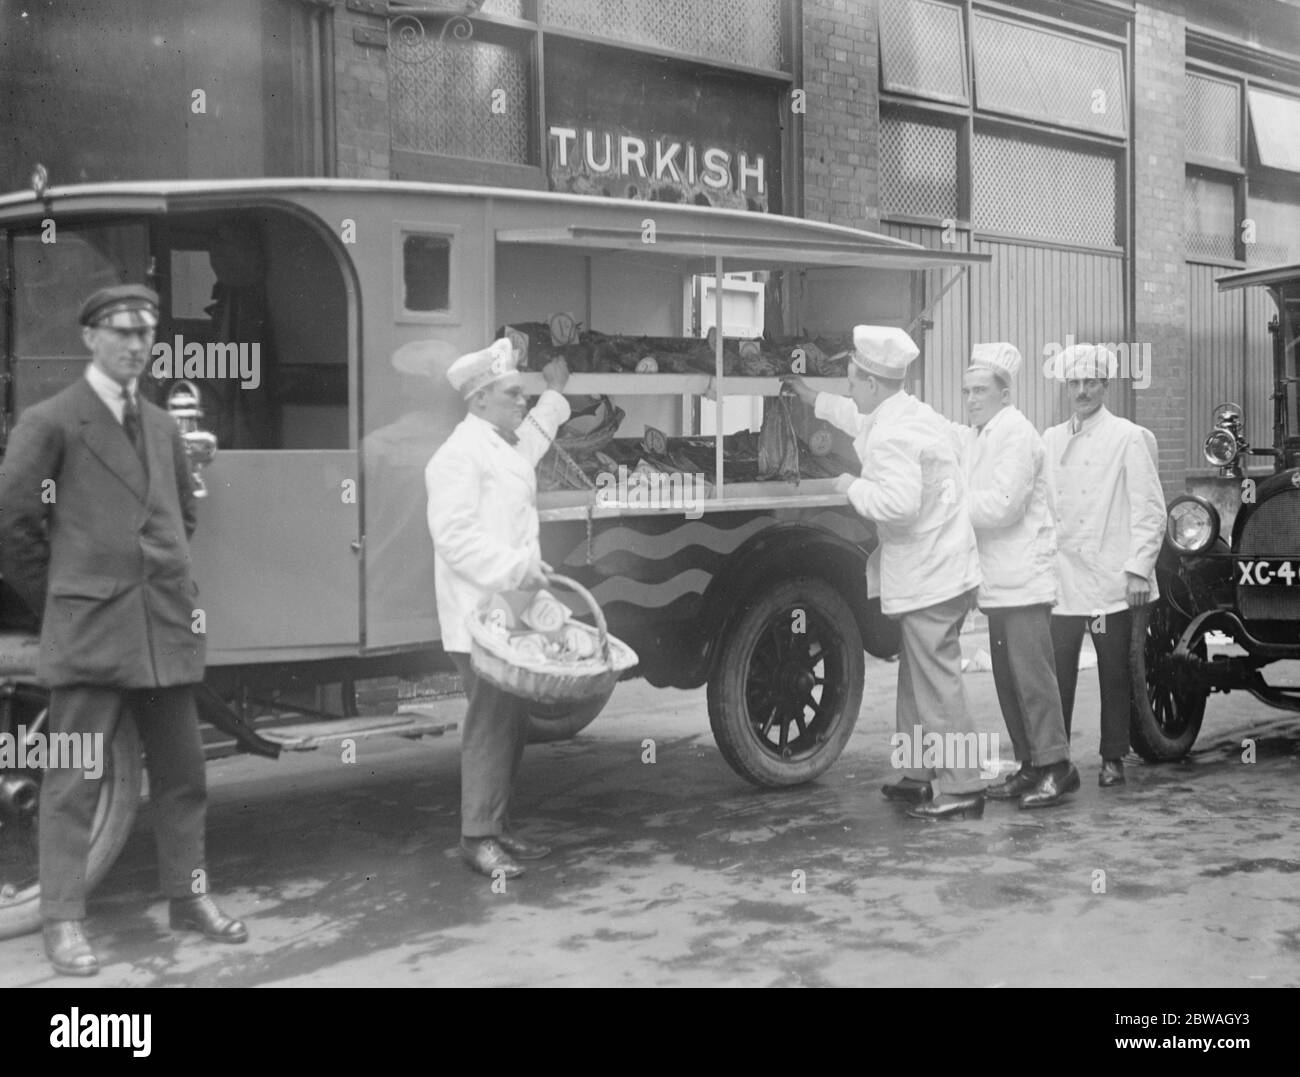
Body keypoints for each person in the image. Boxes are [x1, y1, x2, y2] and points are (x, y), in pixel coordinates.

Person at [0, 284, 247, 977]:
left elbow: (181, 517)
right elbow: (14, 525)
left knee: (183, 774)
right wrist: (67, 594)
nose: (136, 344)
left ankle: (189, 898)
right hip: (92, 633)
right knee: (73, 778)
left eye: (145, 333)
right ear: (90, 339)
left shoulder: (164, 426)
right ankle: (64, 921)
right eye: (120, 332)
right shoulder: (50, 422)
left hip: (163, 629)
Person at [787, 326, 985, 821]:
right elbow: (857, 417)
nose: (849, 387)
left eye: (852, 380)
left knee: (937, 684)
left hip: (930, 575)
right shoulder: (908, 412)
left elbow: (897, 504)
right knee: (916, 680)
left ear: (873, 383)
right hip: (944, 568)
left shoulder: (895, 432)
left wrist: (851, 485)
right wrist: (813, 398)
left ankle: (963, 788)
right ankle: (919, 776)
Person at [425, 339, 570, 877]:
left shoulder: (499, 446)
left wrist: (556, 395)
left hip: (509, 611)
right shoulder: (457, 457)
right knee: (489, 721)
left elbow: (530, 442)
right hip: (479, 615)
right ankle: (476, 837)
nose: (522, 401)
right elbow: (454, 538)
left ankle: (499, 826)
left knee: (510, 719)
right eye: (514, 393)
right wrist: (517, 570)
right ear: (481, 398)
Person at [1041, 343, 1166, 787]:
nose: (1082, 391)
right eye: (1074, 383)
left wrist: (1138, 568)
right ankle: (1055, 759)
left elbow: (1150, 510)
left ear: (1105, 386)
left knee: (1114, 670)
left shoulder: (1128, 437)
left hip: (1111, 576)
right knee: (1057, 670)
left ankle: (1113, 756)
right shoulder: (1050, 439)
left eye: (1090, 383)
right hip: (1064, 578)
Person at [958, 344, 1076, 808]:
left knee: (1033, 679)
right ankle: (1030, 765)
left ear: (1005, 394)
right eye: (967, 390)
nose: (971, 399)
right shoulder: (979, 434)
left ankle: (1057, 767)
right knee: (1008, 681)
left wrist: (949, 509)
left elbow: (1004, 507)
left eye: (981, 390)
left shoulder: (1018, 434)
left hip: (1024, 581)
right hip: (997, 584)